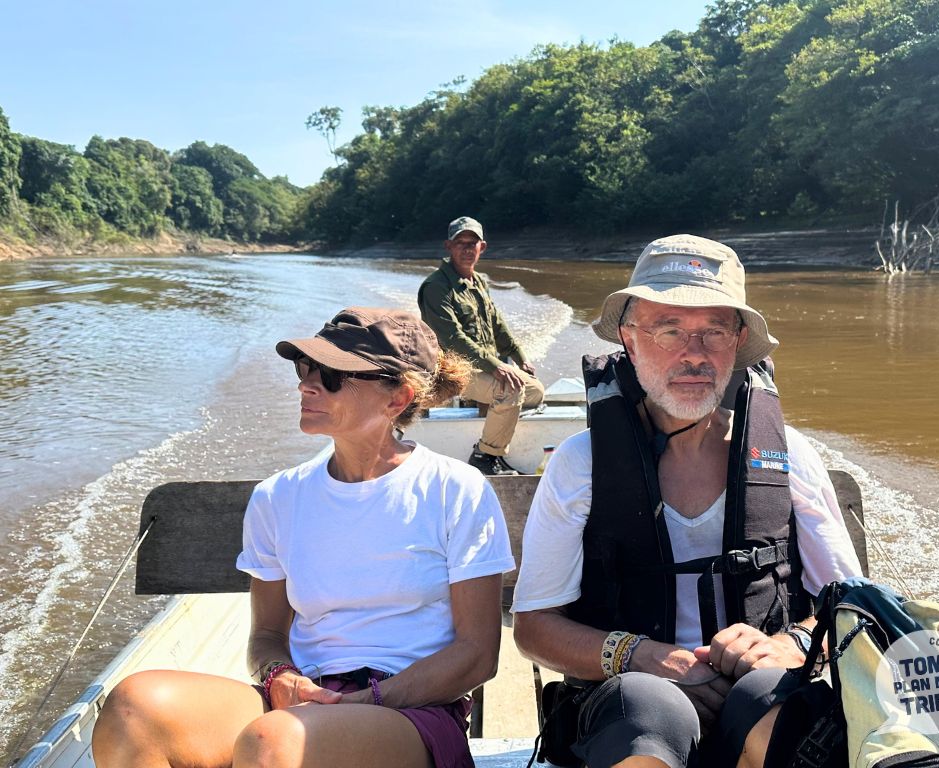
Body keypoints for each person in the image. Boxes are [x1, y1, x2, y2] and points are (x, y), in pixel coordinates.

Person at [92, 307, 516, 768]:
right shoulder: (278, 497)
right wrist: (280, 674)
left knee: (274, 742)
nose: (306, 386)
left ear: (397, 398)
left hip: (412, 711)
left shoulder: (455, 489)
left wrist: (368, 700)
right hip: (301, 702)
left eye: (331, 376)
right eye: (305, 369)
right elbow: (268, 634)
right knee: (134, 709)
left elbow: (477, 655)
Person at [512, 235, 864, 768]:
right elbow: (535, 627)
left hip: (759, 693)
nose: (693, 354)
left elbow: (854, 608)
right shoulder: (581, 463)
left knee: (772, 701)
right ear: (629, 339)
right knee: (648, 707)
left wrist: (793, 643)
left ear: (738, 342)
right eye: (669, 329)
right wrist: (642, 656)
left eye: (714, 331)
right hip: (630, 707)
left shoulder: (788, 456)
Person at [418, 216, 545, 475]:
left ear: (482, 247)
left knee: (536, 391)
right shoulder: (435, 287)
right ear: (448, 246)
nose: (467, 249)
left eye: (472, 243)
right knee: (509, 390)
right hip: (453, 370)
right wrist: (497, 366)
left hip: (483, 366)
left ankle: (492, 413)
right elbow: (453, 339)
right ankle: (484, 456)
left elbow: (497, 324)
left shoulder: (479, 282)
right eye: (460, 243)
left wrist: (519, 357)